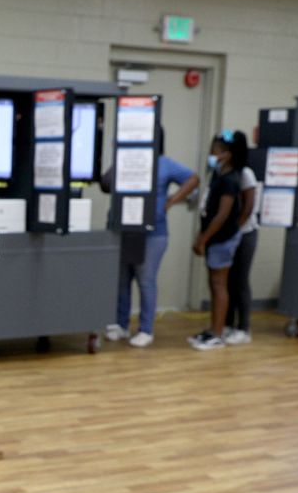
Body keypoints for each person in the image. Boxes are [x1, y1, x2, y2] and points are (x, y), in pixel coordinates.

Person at [104, 127, 199, 348]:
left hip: (153, 233)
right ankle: (121, 324)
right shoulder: (126, 160)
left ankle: (146, 329)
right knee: (122, 279)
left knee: (145, 279)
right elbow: (105, 184)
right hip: (124, 229)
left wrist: (171, 201)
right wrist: (119, 155)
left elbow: (193, 178)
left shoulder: (164, 163)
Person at [188, 131, 248, 351]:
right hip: (213, 238)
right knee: (213, 285)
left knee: (219, 284)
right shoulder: (218, 175)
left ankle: (218, 333)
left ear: (227, 155)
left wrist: (204, 238)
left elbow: (222, 215)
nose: (211, 154)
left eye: (215, 150)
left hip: (222, 238)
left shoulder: (231, 180)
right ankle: (213, 329)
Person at [224, 158, 260, 345]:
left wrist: (234, 229)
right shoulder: (221, 172)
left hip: (245, 233)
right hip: (228, 234)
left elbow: (248, 206)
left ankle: (243, 328)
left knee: (240, 280)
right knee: (228, 280)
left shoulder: (246, 173)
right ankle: (227, 324)